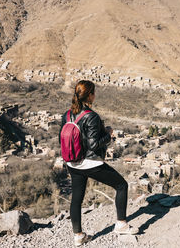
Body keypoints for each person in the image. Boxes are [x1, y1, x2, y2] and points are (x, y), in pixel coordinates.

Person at [59, 80, 138, 247]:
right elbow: (94, 145)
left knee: (76, 199)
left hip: (73, 163)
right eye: (94, 92)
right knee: (121, 185)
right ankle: (121, 224)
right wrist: (108, 134)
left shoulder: (66, 115)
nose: (95, 95)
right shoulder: (91, 116)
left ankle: (78, 235)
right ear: (90, 95)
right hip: (90, 163)